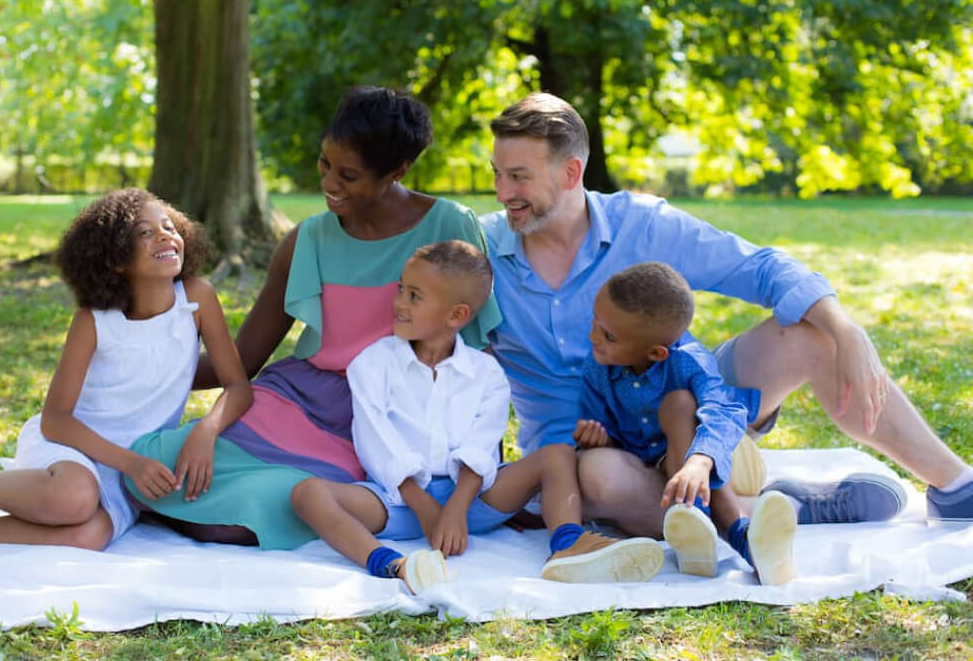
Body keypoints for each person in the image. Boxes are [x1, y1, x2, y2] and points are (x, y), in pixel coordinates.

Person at [481, 91, 972, 537]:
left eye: (519, 176)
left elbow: (760, 268)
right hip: (582, 457)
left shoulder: (643, 225)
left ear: (570, 173)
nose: (503, 192)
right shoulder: (480, 251)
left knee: (813, 335)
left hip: (678, 411)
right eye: (497, 174)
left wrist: (847, 331)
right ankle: (779, 510)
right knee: (599, 480)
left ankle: (956, 487)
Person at [124, 87, 504, 549]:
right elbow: (242, 361)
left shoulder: (452, 226)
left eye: (350, 175)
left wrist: (478, 480)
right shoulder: (307, 239)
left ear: (397, 172)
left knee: (235, 521)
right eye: (325, 164)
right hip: (295, 398)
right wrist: (150, 375)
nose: (330, 183)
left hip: (378, 412)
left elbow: (477, 357)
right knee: (159, 465)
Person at [291, 241, 665, 593]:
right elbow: (376, 441)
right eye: (402, 289)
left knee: (558, 454)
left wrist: (455, 510)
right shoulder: (373, 364)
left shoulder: (487, 373)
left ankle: (568, 544)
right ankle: (394, 565)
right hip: (399, 503)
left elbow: (481, 445)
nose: (399, 303)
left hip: (475, 500)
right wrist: (425, 508)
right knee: (308, 493)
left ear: (457, 315)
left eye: (414, 296)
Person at [0, 189, 252, 549]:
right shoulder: (93, 320)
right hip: (75, 445)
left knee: (87, 537)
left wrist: (204, 433)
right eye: (144, 232)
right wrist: (131, 463)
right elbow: (56, 420)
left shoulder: (197, 298)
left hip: (136, 463)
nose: (164, 235)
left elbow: (237, 386)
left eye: (168, 226)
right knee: (73, 498)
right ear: (114, 259)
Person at [574, 261, 796, 584]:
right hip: (655, 475)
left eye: (608, 335)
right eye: (595, 320)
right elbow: (606, 433)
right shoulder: (599, 365)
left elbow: (723, 410)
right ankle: (721, 536)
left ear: (656, 354)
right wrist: (597, 438)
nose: (594, 336)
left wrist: (700, 461)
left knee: (679, 404)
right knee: (592, 467)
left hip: (722, 460)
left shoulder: (688, 360)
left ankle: (731, 532)